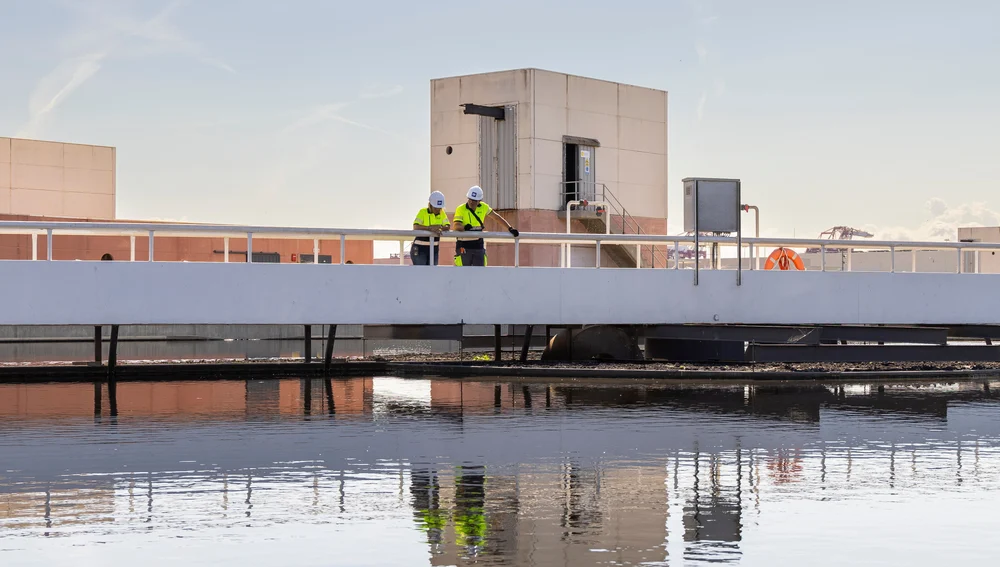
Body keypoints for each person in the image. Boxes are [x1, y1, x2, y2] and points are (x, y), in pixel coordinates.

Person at [452, 186, 518, 267]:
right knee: (462, 273)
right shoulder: (460, 209)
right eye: (470, 199)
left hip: (478, 245)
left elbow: (496, 217)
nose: (471, 202)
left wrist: (510, 228)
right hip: (463, 245)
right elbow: (456, 226)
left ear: (479, 201)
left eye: (474, 201)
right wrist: (465, 228)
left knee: (480, 272)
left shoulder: (484, 207)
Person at [411, 191, 450, 265]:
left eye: (439, 208)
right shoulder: (423, 212)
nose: (438, 210)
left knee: (432, 273)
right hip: (420, 248)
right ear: (430, 205)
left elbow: (447, 226)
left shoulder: (442, 213)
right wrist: (429, 228)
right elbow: (416, 226)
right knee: (421, 273)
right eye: (436, 208)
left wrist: (440, 228)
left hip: (434, 249)